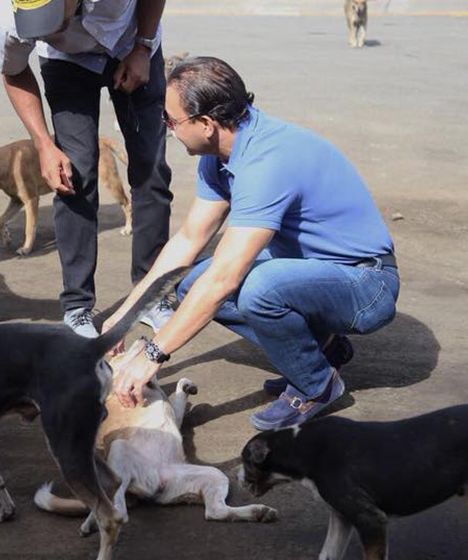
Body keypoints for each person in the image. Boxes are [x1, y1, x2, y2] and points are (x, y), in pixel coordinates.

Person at [104, 57, 400, 431]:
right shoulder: (222, 155)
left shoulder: (266, 163)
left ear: (207, 124)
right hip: (315, 272)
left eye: (171, 121)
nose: (169, 130)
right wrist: (121, 321)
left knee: (256, 288)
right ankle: (322, 350)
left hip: (366, 285)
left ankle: (317, 384)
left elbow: (225, 278)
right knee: (191, 281)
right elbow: (187, 241)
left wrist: (152, 355)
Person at [0, 0, 174, 338]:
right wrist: (44, 145)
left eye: (53, 21)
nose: (48, 30)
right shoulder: (9, 17)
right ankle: (77, 307)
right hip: (67, 64)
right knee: (73, 176)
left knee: (151, 171)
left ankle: (153, 295)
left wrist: (143, 46)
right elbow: (14, 70)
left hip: (132, 41)